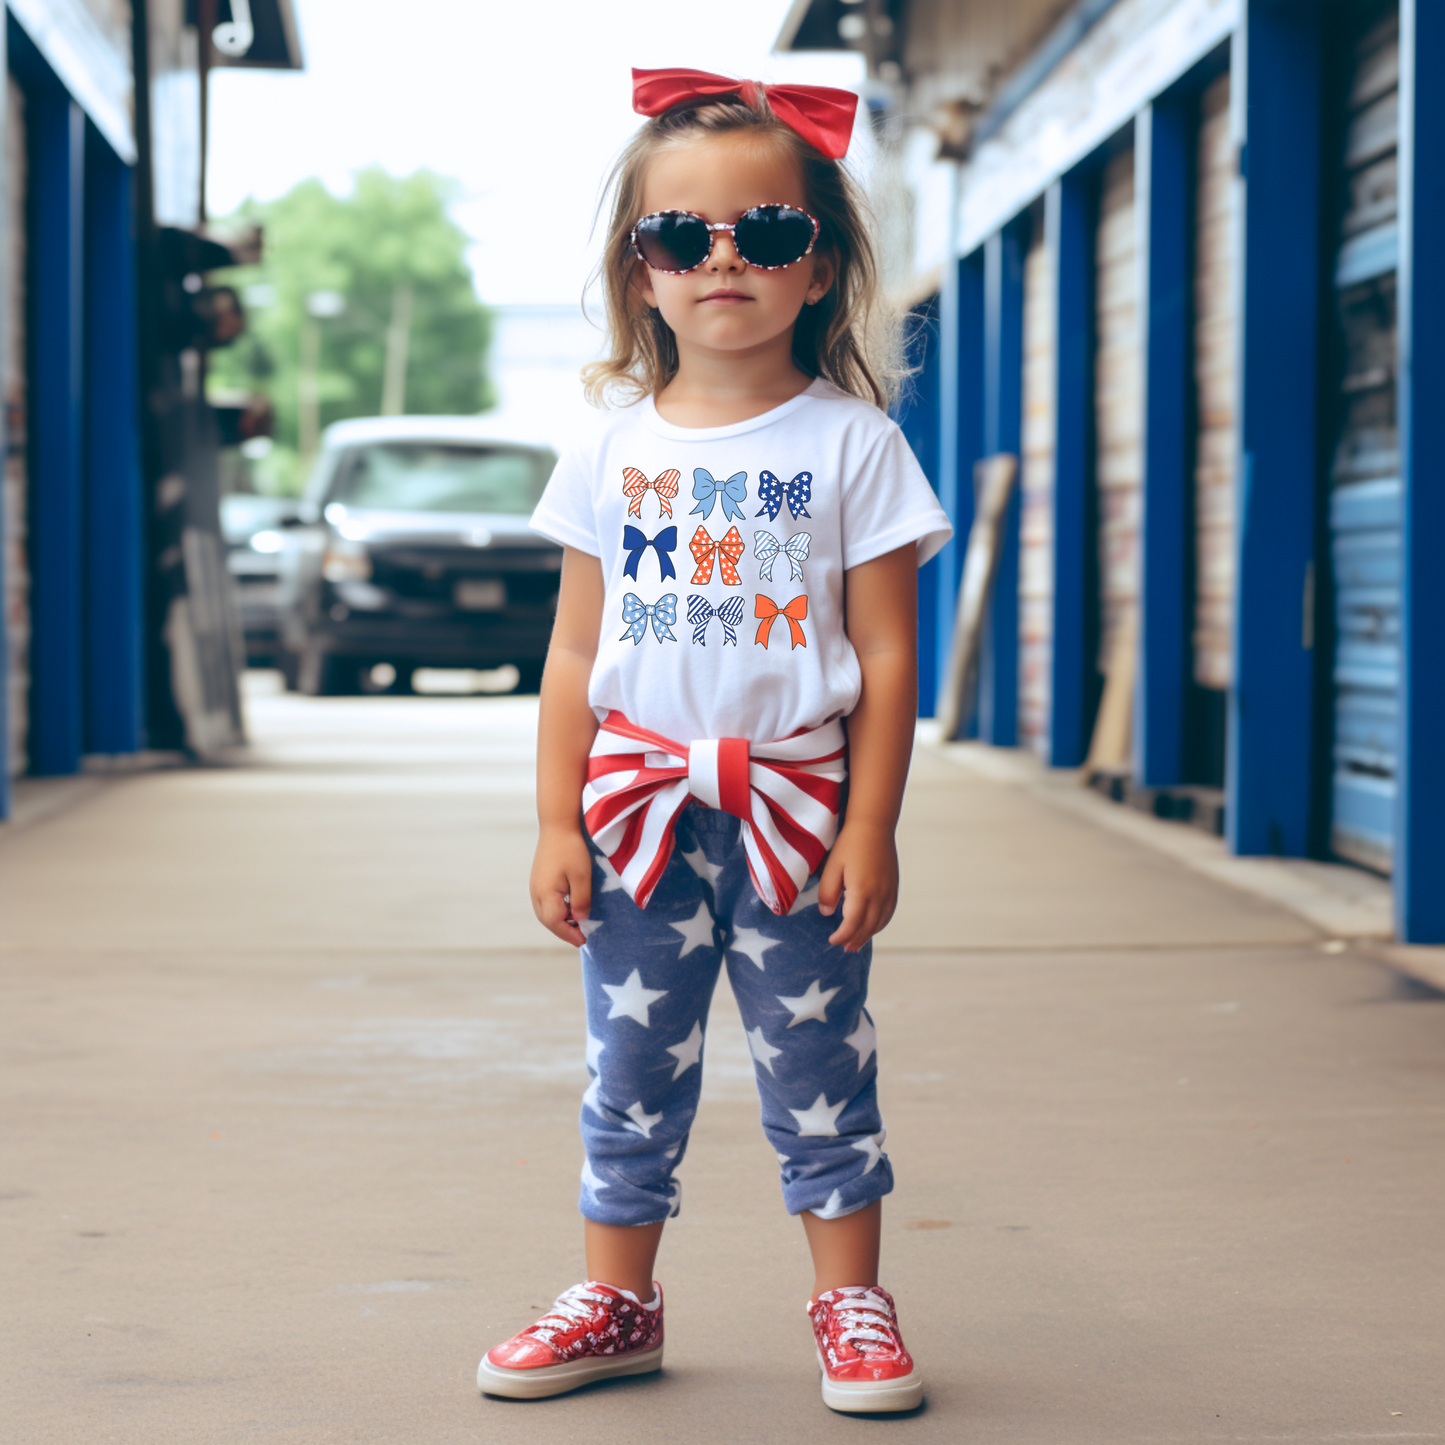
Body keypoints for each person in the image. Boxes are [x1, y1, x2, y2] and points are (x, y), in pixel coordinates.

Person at [477, 67, 951, 1414]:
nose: (724, 259)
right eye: (683, 234)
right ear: (641, 273)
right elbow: (575, 655)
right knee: (629, 1065)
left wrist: (873, 824)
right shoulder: (607, 451)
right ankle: (618, 1301)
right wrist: (555, 819)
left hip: (798, 812)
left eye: (769, 231)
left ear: (823, 267)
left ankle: (851, 1300)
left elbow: (888, 655)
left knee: (820, 1059)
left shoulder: (856, 446)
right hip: (637, 811)